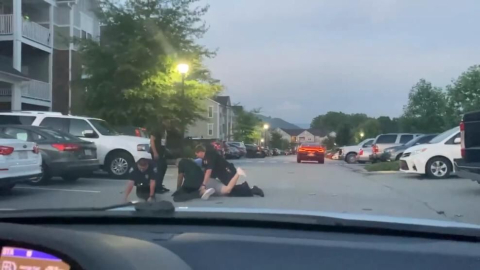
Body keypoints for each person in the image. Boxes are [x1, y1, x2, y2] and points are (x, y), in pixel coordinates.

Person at [195, 144, 264, 197]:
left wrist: (204, 185)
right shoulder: (205, 160)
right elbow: (206, 171)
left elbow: (209, 171)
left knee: (230, 190)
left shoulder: (209, 154)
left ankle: (252, 190)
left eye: (197, 155)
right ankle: (251, 189)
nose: (198, 157)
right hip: (221, 173)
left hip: (227, 170)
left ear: (200, 152)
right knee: (229, 190)